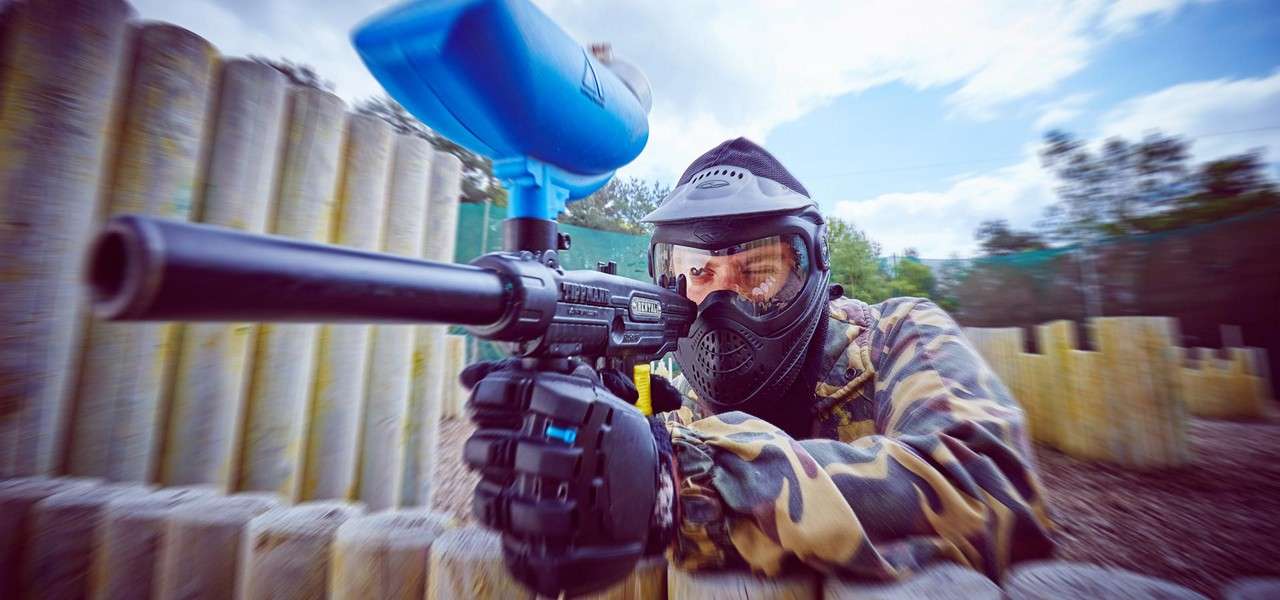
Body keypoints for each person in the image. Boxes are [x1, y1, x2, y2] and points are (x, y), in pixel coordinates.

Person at [461, 138, 1055, 595]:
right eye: (699, 273)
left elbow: (994, 490)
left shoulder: (899, 337)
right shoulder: (681, 398)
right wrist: (598, 434)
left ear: (812, 266)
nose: (723, 300)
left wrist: (677, 484)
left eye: (757, 271)